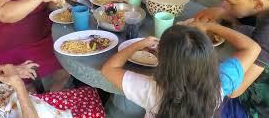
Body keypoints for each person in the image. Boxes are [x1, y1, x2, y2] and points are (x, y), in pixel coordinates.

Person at [101, 23, 261, 118]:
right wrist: (211, 26)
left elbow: (108, 69)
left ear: (163, 61)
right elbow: (252, 48)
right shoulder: (221, 83)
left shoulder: (151, 89)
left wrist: (137, 44)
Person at [0, 40, 106, 118]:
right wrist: (18, 84)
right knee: (98, 104)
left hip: (39, 105)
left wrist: (8, 72)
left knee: (91, 93)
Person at [194, 0, 269, 117]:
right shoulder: (262, 7)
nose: (225, 5)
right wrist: (225, 14)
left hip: (255, 106)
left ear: (258, 4)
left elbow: (236, 89)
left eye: (231, 4)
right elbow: (250, 29)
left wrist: (211, 27)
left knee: (195, 104)